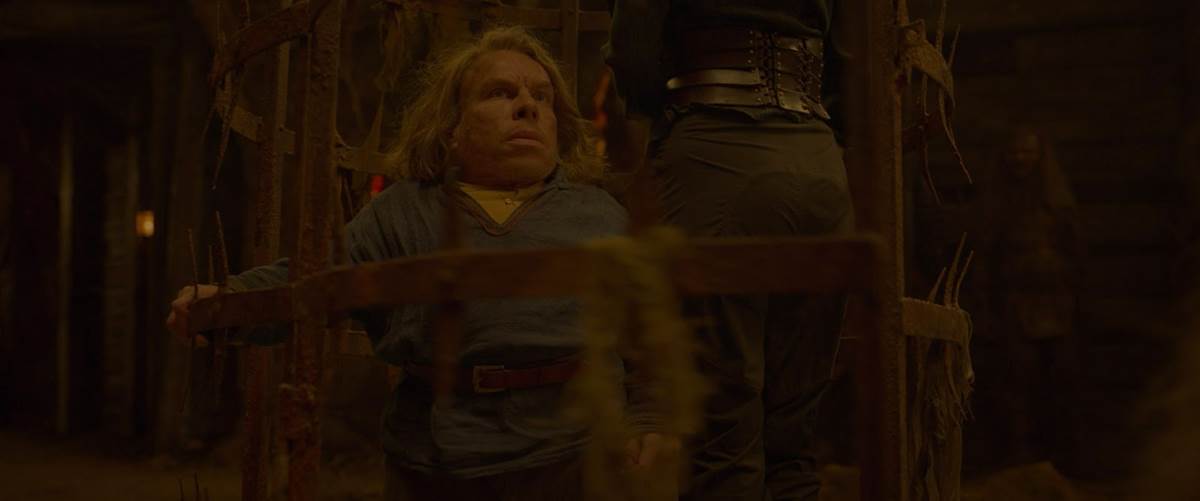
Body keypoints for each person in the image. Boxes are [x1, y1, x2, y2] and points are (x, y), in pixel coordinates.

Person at [167, 26, 671, 500]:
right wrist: (227, 303)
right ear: (452, 127)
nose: (527, 107)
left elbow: (645, 333)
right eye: (499, 93)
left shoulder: (598, 215)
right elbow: (312, 279)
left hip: (571, 455)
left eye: (542, 97)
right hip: (434, 458)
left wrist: (648, 418)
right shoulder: (404, 211)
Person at [605, 2, 854, 500]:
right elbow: (852, 65)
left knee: (721, 428)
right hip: (817, 163)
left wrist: (662, 112)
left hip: (717, 148)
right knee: (795, 432)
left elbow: (634, 55)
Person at [972, 126, 1083, 472]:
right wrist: (986, 307)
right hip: (1014, 305)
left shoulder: (1057, 201)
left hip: (1057, 305)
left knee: (1060, 381)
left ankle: (1060, 458)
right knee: (1017, 381)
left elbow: (1075, 252)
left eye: (1028, 152)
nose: (1021, 159)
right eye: (1015, 152)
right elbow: (985, 258)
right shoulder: (996, 203)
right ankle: (1020, 457)